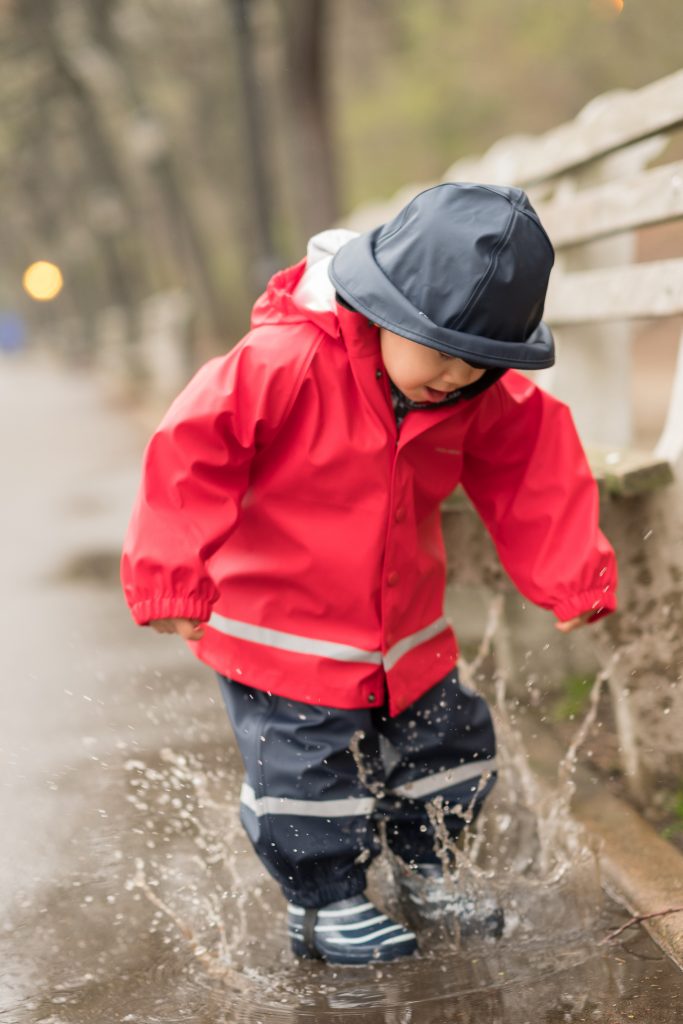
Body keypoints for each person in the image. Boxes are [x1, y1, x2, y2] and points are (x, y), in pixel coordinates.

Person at [121, 183, 617, 965]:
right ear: (381, 308)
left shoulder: (470, 393)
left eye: (480, 365)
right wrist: (169, 576)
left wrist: (569, 574)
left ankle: (430, 866)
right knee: (309, 772)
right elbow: (191, 453)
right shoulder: (285, 359)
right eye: (441, 353)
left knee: (448, 745)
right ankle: (323, 904)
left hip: (402, 628)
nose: (455, 378)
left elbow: (532, 461)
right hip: (283, 628)